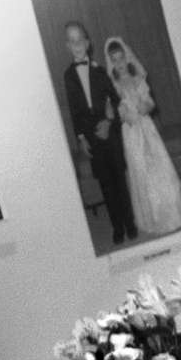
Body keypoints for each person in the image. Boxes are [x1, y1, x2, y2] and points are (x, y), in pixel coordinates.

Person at [103, 37, 181, 237]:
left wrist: (145, 106)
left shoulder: (138, 78)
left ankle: (171, 211)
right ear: (111, 63)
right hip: (130, 132)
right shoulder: (112, 86)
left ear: (127, 58)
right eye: (114, 60)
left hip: (146, 128)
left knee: (159, 168)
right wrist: (122, 113)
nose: (119, 63)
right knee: (140, 170)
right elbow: (113, 112)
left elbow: (150, 103)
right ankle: (151, 217)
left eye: (121, 58)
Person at [62, 21, 135, 244]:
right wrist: (81, 137)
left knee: (119, 180)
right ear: (68, 46)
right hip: (91, 136)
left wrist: (109, 121)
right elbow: (74, 110)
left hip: (109, 130)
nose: (77, 45)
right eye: (72, 41)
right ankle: (117, 227)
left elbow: (115, 98)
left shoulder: (100, 71)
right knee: (105, 183)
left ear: (88, 42)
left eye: (80, 40)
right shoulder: (68, 76)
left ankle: (130, 223)